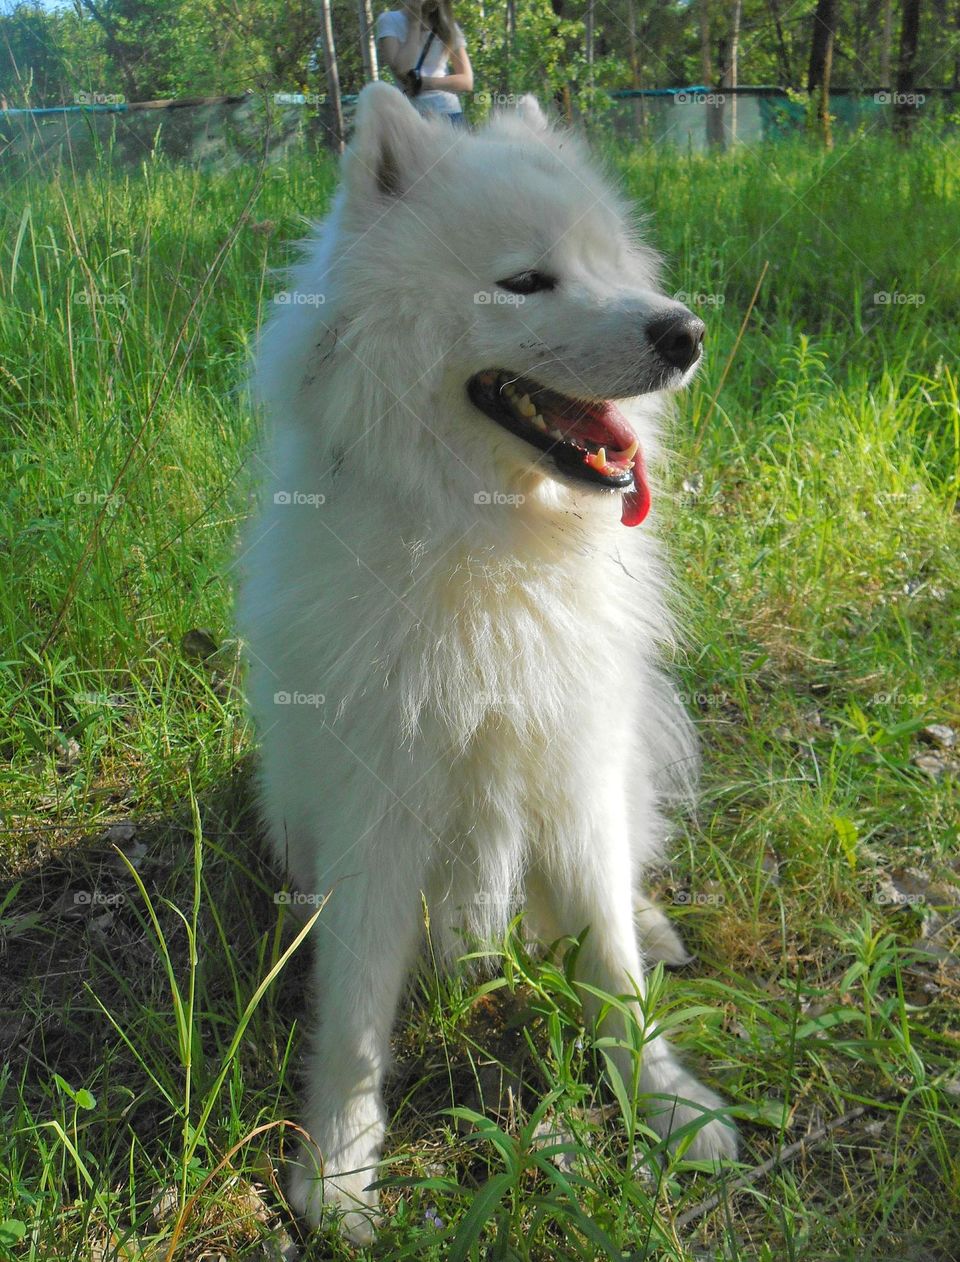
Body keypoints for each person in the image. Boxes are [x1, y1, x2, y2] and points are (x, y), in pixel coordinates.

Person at [375, 1, 473, 125]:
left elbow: (467, 81)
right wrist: (414, 23)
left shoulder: (447, 25)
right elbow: (401, 69)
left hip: (450, 114)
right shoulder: (389, 20)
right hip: (411, 117)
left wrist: (424, 83)